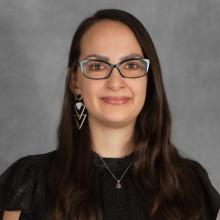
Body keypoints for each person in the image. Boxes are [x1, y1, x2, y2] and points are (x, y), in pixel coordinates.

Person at [0, 8, 219, 220]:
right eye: (97, 67)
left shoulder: (191, 184)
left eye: (131, 65)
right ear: (75, 81)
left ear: (149, 79)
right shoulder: (30, 182)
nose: (116, 82)